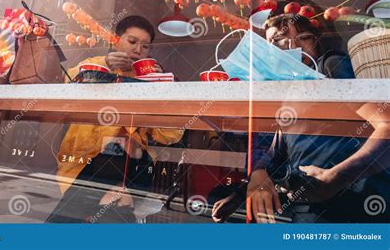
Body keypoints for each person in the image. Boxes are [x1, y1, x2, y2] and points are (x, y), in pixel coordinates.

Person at [212, 13, 390, 223]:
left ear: (314, 42)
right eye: (276, 43)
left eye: (301, 37)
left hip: (358, 205)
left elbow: (386, 124)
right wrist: (250, 183)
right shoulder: (290, 94)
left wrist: (338, 176)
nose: (289, 47)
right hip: (308, 212)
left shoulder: (329, 66)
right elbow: (277, 152)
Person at [46, 15, 184, 223]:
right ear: (115, 40)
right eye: (132, 42)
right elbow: (68, 82)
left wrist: (160, 87)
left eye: (145, 46)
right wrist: (105, 64)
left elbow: (170, 136)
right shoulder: (95, 65)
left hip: (133, 165)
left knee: (77, 216)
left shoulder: (150, 78)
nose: (138, 50)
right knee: (96, 214)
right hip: (88, 160)